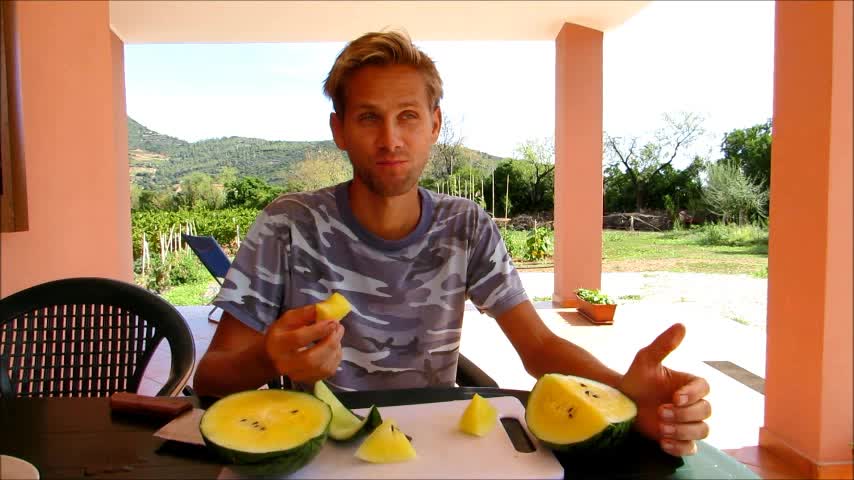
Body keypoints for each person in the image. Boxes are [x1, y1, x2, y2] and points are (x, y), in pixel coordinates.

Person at [193, 30, 711, 457]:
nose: (391, 139)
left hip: (439, 446)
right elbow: (210, 379)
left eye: (408, 116)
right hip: (321, 449)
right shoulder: (287, 224)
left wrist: (622, 391)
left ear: (435, 125)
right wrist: (270, 356)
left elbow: (538, 346)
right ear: (340, 130)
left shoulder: (467, 225)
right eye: (369, 117)